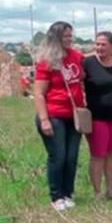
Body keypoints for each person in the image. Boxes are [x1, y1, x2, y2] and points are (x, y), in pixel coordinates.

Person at [33, 21, 84, 212]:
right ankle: (56, 196)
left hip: (75, 115)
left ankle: (68, 193)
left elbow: (86, 71)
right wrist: (44, 120)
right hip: (54, 115)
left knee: (72, 157)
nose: (69, 39)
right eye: (65, 36)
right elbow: (39, 93)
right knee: (58, 157)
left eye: (71, 35)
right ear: (56, 38)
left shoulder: (76, 56)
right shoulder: (46, 61)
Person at [83, 31, 112, 200]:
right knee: (98, 154)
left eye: (103, 44)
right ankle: (97, 192)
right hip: (97, 117)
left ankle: (111, 189)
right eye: (97, 44)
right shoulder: (88, 63)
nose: (99, 47)